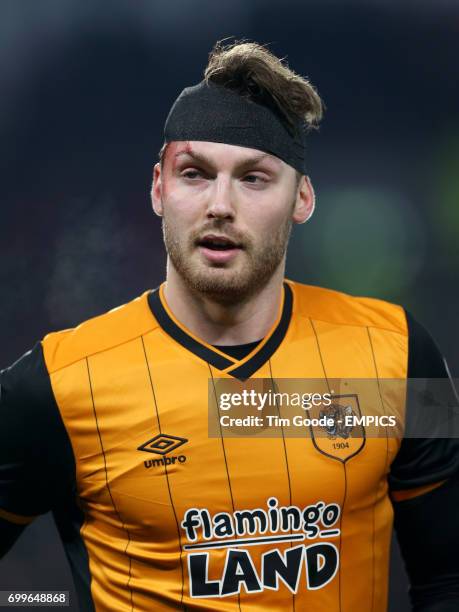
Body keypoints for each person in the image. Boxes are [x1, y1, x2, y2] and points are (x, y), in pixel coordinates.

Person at [1, 40, 458, 612]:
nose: (220, 204)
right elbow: (18, 594)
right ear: (158, 189)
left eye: (254, 178)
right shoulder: (55, 383)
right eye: (195, 173)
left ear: (303, 198)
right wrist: (38, 603)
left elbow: (449, 577)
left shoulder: (401, 351)